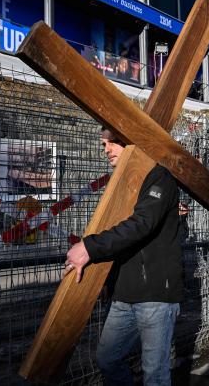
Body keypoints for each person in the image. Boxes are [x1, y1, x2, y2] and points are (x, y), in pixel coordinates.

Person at [64, 127, 183, 385]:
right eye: (103, 144)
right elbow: (118, 232)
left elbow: (142, 224)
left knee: (155, 374)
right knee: (107, 359)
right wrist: (110, 282)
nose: (105, 149)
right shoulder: (121, 183)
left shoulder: (158, 177)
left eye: (111, 142)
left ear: (131, 141)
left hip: (156, 296)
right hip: (124, 297)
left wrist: (88, 247)